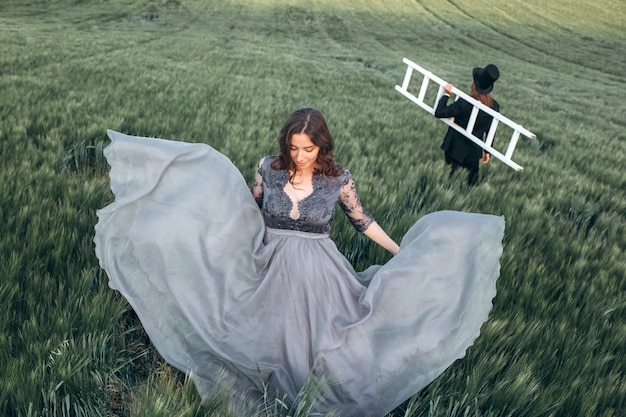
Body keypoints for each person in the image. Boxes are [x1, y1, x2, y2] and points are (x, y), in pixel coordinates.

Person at [94, 108, 505, 417]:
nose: (300, 156)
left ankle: (307, 395)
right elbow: (246, 210)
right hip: (269, 258)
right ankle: (267, 386)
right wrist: (205, 230)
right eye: (293, 148)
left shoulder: (338, 179)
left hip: (317, 269)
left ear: (321, 147)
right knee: (262, 332)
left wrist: (401, 252)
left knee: (321, 340)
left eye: (308, 149)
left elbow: (362, 221)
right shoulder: (267, 170)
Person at [435, 64, 501, 185]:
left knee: (448, 184)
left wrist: (446, 94)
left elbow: (439, 112)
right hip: (474, 154)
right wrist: (487, 151)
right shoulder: (494, 107)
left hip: (454, 150)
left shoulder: (465, 102)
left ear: (474, 84)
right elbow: (491, 130)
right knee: (469, 188)